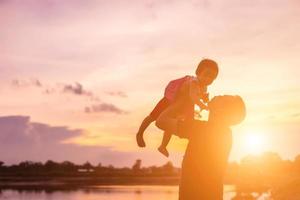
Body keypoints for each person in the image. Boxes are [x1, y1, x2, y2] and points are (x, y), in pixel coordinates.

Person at [155, 95, 246, 199]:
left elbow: (161, 121)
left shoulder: (201, 129)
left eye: (222, 98)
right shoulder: (224, 133)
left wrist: (181, 101)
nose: (218, 95)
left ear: (221, 111)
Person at [136, 59, 219, 157]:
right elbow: (193, 97)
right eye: (206, 75)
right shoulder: (194, 82)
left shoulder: (204, 86)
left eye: (212, 78)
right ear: (198, 72)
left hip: (182, 105)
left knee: (171, 125)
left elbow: (200, 95)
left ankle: (163, 146)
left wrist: (204, 98)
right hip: (170, 100)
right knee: (153, 116)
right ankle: (140, 133)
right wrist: (203, 106)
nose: (208, 79)